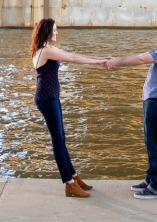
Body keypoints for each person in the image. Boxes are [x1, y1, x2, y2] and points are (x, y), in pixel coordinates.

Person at [105, 12, 157, 200]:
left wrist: (116, 62)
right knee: (150, 142)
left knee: (155, 143)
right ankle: (150, 179)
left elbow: (141, 59)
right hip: (153, 99)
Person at [30, 17, 106, 198]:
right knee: (58, 139)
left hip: (50, 97)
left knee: (61, 137)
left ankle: (73, 176)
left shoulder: (44, 49)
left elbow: (72, 54)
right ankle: (69, 183)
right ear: (47, 31)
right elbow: (72, 58)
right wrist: (98, 62)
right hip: (47, 98)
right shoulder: (46, 51)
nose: (57, 32)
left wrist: (100, 58)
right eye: (54, 30)